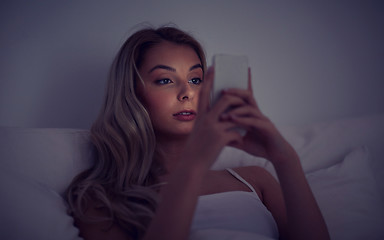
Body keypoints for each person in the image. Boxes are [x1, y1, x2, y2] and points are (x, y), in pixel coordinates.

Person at [66, 26, 330, 240]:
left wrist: (286, 159)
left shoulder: (255, 180)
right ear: (132, 95)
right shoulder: (98, 196)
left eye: (196, 79)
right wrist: (195, 162)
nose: (187, 93)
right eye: (165, 80)